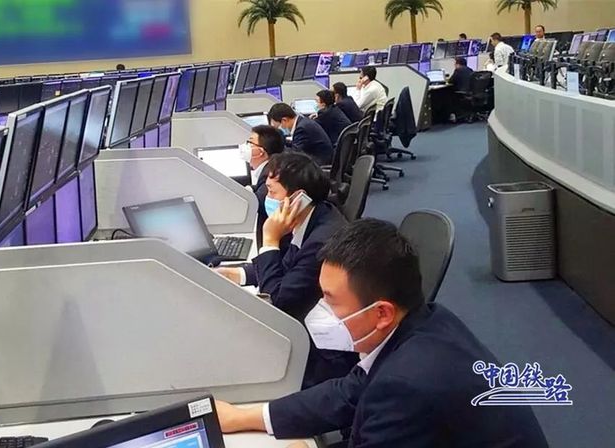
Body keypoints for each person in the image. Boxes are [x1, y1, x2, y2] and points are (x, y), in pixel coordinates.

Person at [215, 219, 549, 447]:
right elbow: (349, 392)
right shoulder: (427, 321)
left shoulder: (406, 385)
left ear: (382, 313)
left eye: (330, 300)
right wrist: (245, 417)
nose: (320, 310)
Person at [216, 153, 358, 387]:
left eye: (272, 192)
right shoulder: (315, 216)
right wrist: (238, 274)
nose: (267, 198)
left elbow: (279, 301)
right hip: (308, 323)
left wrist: (270, 238)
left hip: (321, 354)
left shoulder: (321, 241)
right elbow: (287, 267)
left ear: (298, 199)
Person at [240, 125, 286, 248]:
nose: (245, 146)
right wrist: (251, 188)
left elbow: (258, 203)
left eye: (250, 142)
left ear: (261, 152)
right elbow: (259, 188)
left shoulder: (271, 174)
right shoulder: (269, 167)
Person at [268, 103, 334, 165]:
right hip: (320, 157)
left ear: (284, 120)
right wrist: (282, 141)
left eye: (278, 126)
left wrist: (275, 149)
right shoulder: (303, 121)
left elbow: (295, 153)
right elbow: (296, 144)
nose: (280, 128)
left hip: (320, 163)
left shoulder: (302, 128)